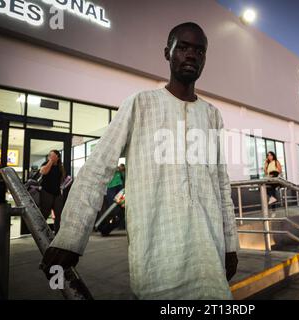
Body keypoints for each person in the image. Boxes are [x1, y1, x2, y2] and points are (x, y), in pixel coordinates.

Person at [40, 22, 239, 299]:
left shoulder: (212, 115)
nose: (191, 55)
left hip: (210, 257)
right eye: (182, 47)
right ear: (167, 53)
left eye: (199, 50)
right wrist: (71, 236)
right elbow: (98, 168)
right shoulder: (140, 104)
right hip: (157, 258)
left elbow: (221, 185)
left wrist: (230, 244)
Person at [39, 150, 65, 234]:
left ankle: (57, 233)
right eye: (49, 155)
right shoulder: (45, 164)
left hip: (57, 194)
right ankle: (42, 233)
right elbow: (44, 171)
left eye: (52, 155)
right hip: (46, 192)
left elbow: (61, 180)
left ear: (57, 157)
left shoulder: (60, 167)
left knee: (59, 215)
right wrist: (50, 161)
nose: (50, 157)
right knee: (45, 214)